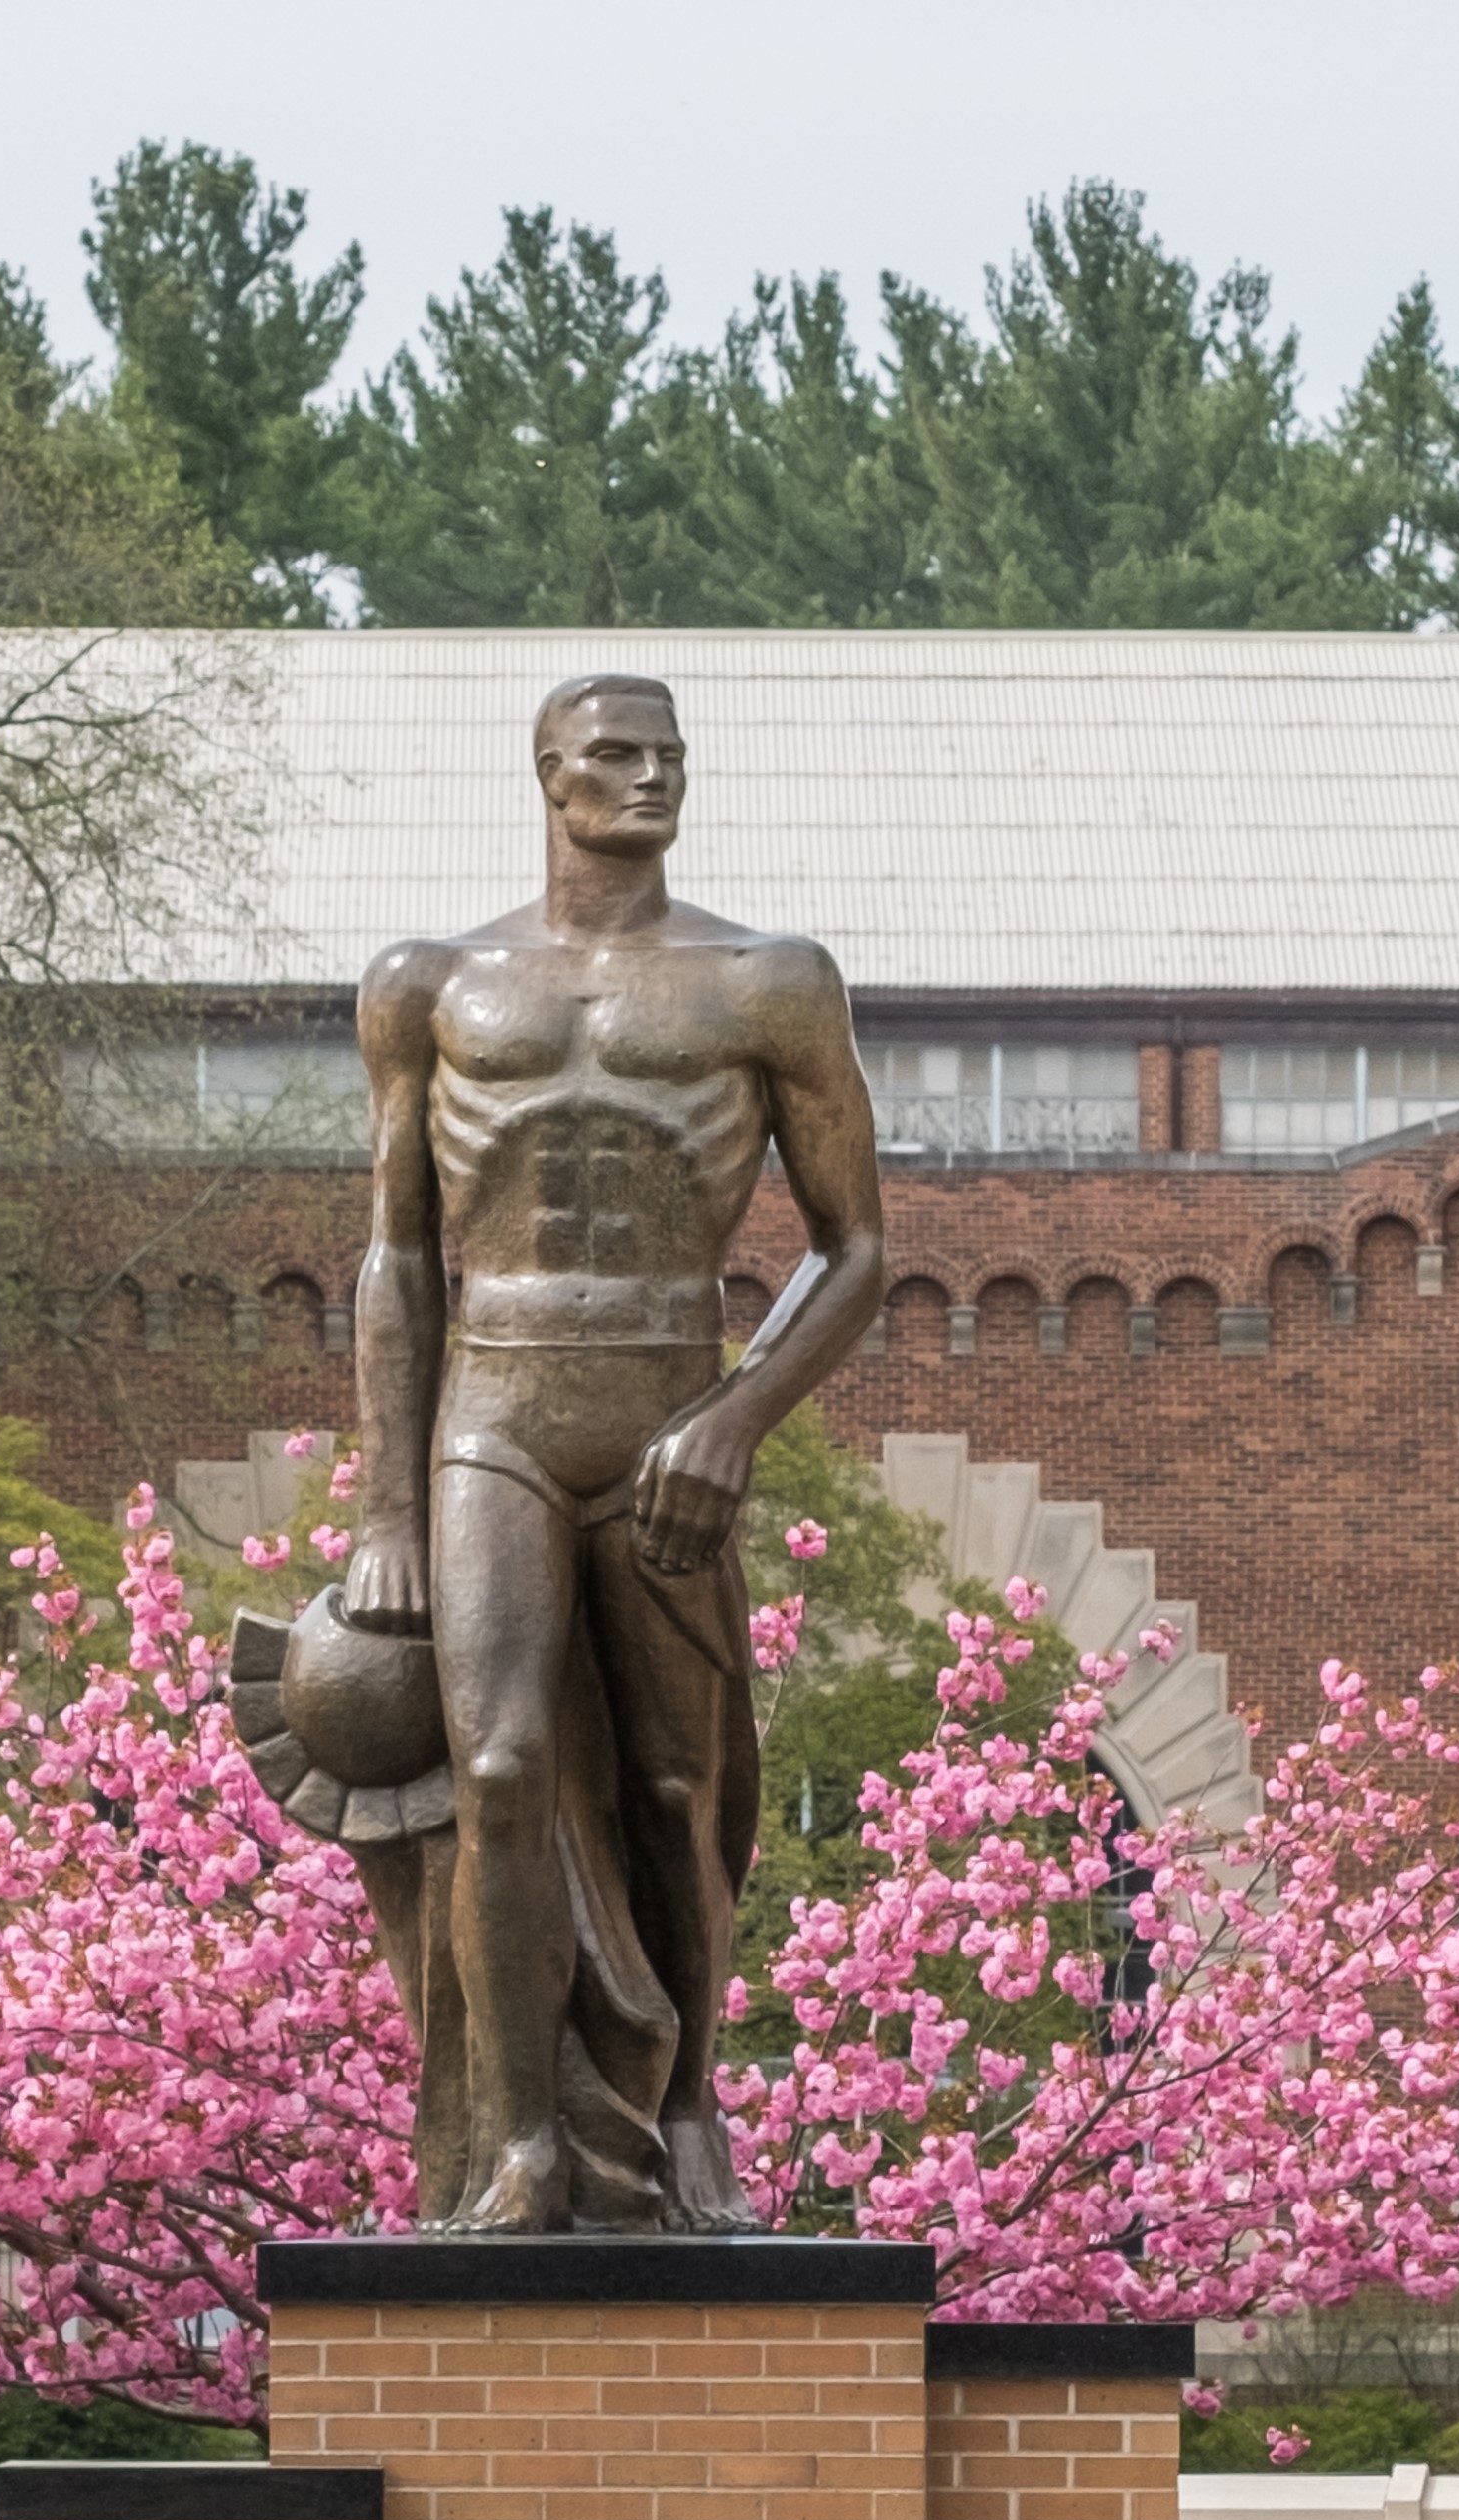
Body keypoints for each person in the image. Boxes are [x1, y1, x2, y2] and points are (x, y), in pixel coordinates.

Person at [339, 672, 886, 2232]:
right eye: (612, 756)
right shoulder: (430, 986)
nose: (646, 780)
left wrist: (734, 1415)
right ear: (546, 776)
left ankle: (690, 2105)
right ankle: (517, 2145)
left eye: (668, 758)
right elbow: (396, 1251)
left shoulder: (765, 983)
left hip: (662, 1407)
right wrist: (387, 1498)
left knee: (672, 1782)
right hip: (493, 1414)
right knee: (499, 1764)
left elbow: (853, 1250)